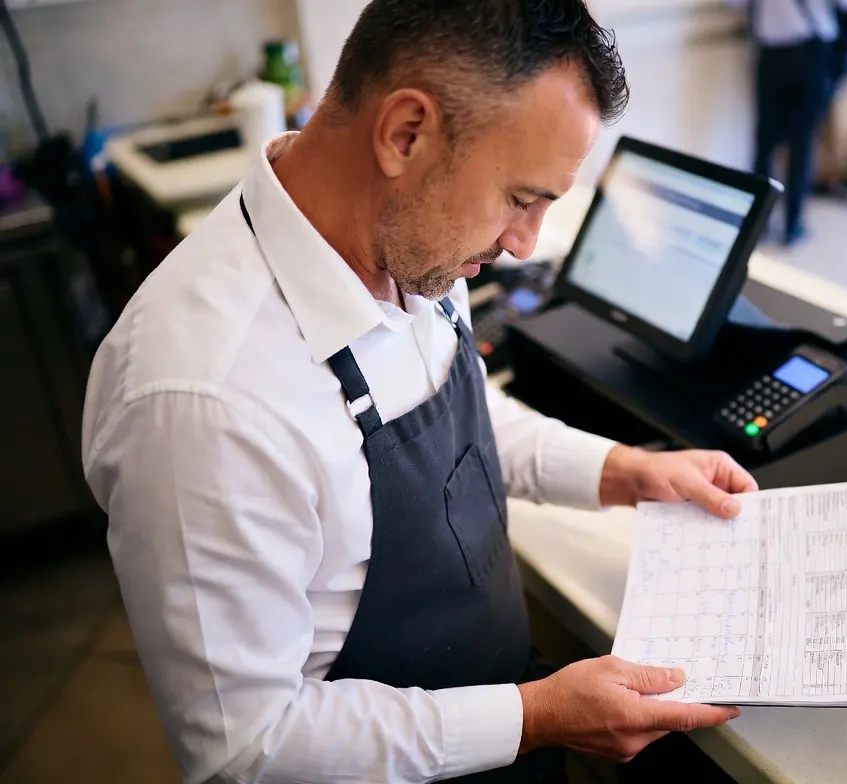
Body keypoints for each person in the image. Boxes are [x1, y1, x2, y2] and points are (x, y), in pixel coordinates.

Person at [80, 2, 754, 782]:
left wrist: (624, 470)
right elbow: (246, 745)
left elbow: (455, 413)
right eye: (520, 197)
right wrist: (534, 716)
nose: (522, 244)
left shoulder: (410, 241)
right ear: (407, 134)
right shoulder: (201, 400)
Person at [746, 0, 847, 245]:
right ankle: (792, 224)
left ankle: (759, 225)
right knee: (800, 143)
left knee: (766, 143)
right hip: (810, 53)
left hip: (772, 55)